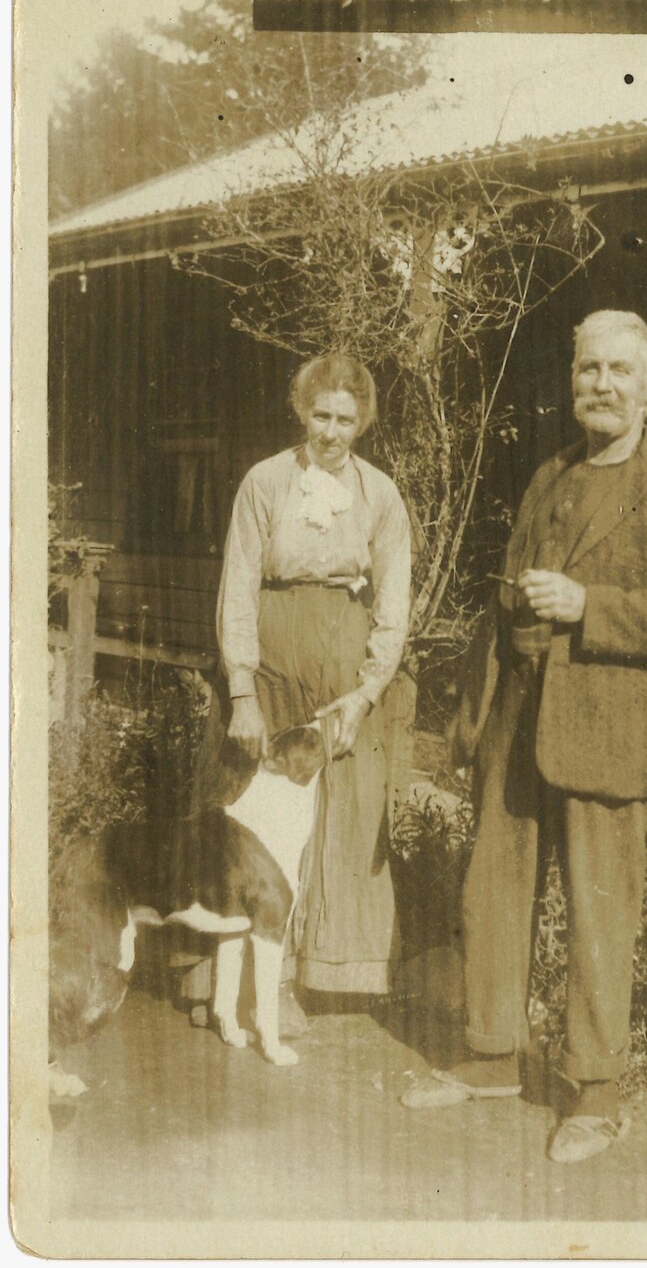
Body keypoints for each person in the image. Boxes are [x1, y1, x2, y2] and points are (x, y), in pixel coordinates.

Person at [400, 310, 647, 1163]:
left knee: (599, 911)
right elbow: (514, 587)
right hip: (519, 716)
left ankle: (597, 1091)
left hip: (610, 726)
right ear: (573, 377)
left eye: (621, 371)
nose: (602, 385)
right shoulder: (551, 471)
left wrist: (590, 607)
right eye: (589, 369)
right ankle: (489, 1056)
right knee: (494, 890)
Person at [204, 351, 411, 1001]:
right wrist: (240, 690)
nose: (331, 430)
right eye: (320, 414)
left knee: (336, 812)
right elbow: (237, 584)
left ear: (362, 422)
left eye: (345, 418)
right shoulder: (264, 483)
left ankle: (320, 971)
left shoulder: (379, 494)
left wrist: (368, 690)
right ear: (301, 411)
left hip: (344, 669)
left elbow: (394, 606)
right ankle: (241, 983)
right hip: (268, 660)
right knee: (257, 810)